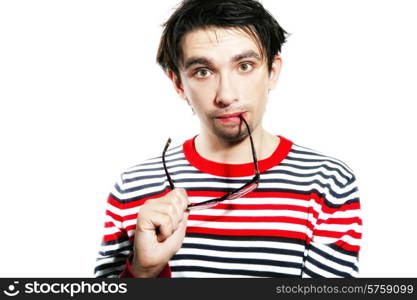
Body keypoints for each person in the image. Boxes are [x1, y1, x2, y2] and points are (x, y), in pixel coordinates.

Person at [94, 0, 362, 278]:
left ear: (272, 71)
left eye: (245, 66)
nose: (226, 95)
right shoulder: (134, 187)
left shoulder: (328, 181)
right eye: (203, 72)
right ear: (178, 83)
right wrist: (144, 270)